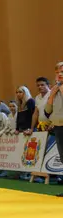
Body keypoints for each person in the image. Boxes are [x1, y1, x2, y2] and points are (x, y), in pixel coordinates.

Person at [45, 61, 63, 197]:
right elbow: (47, 111)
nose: (59, 74)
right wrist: (52, 95)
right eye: (57, 72)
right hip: (58, 126)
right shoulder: (54, 89)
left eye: (62, 71)